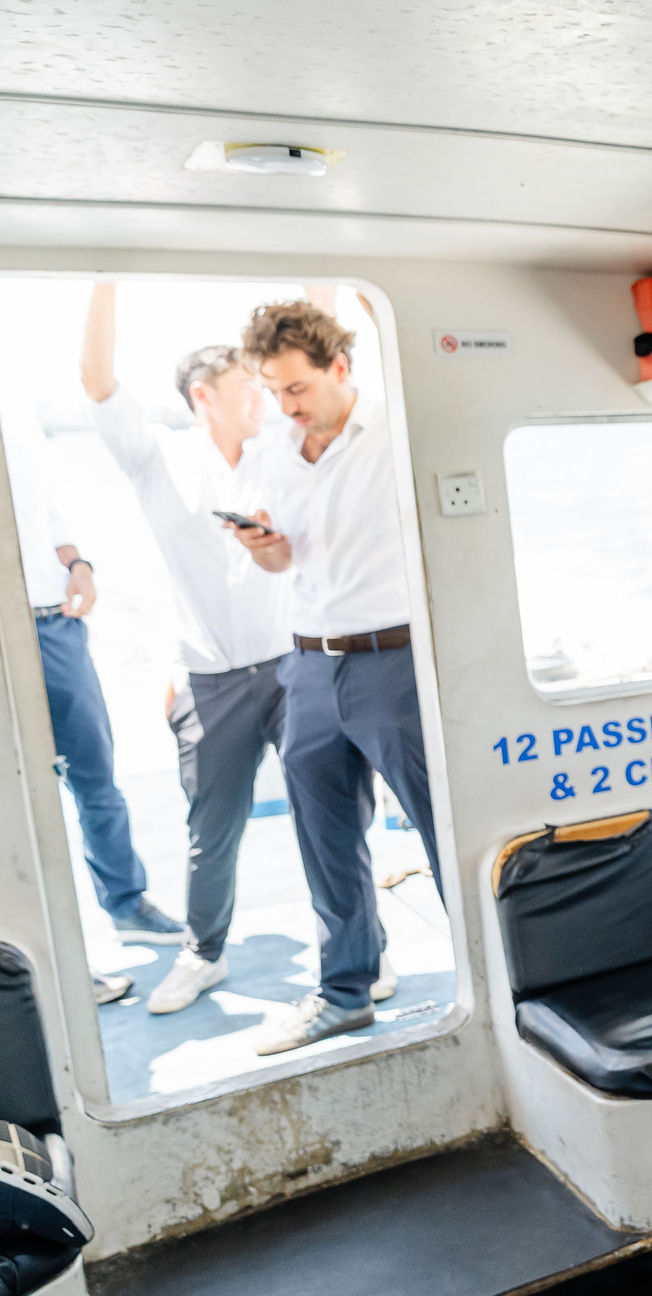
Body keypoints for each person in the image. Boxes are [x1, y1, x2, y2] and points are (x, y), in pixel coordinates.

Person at [77, 283, 329, 1015]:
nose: (261, 398)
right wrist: (104, 276)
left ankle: (356, 949)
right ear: (202, 395)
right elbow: (97, 381)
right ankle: (204, 954)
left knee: (327, 815)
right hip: (210, 681)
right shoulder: (155, 459)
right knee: (210, 832)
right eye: (247, 386)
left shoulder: (281, 450)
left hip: (293, 668)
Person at [229, 299, 437, 1056]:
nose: (285, 406)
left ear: (340, 367)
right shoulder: (276, 451)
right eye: (273, 391)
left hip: (394, 660)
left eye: (297, 388)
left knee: (440, 826)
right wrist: (265, 549)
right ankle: (346, 991)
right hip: (310, 665)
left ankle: (502, 977)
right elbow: (286, 558)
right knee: (325, 835)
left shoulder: (398, 430)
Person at [1, 400, 181, 1005]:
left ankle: (126, 905)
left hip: (54, 623)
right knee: (16, 806)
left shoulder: (15, 408)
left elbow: (41, 507)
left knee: (95, 775)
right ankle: (47, 962)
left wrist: (77, 563)